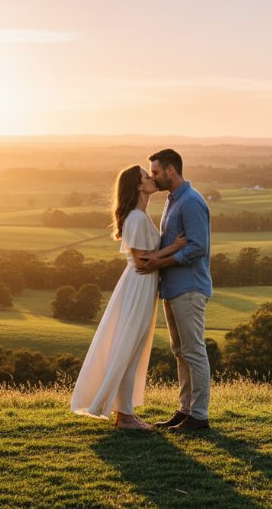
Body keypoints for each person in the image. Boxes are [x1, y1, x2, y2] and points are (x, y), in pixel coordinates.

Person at [70, 165, 187, 429]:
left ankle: (126, 413)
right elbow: (141, 262)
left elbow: (146, 259)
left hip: (144, 286)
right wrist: (175, 248)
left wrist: (166, 252)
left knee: (133, 347)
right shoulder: (134, 218)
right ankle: (124, 416)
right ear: (137, 186)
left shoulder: (141, 215)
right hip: (138, 286)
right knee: (128, 346)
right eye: (147, 177)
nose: (153, 179)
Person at [137, 149, 212, 431]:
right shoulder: (173, 200)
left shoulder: (191, 201)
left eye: (155, 172)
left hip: (189, 287)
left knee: (194, 351)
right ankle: (185, 410)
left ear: (171, 170)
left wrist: (159, 260)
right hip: (173, 287)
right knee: (180, 351)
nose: (153, 178)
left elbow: (197, 247)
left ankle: (200, 415)